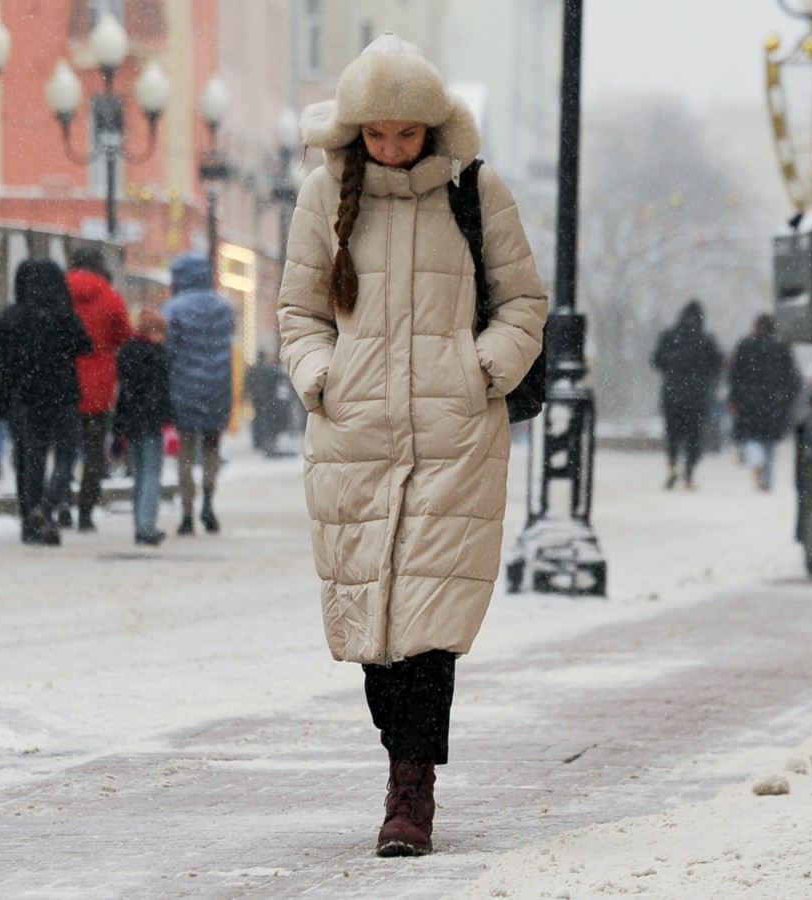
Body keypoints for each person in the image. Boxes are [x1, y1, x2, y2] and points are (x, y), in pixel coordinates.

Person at [277, 34, 547, 858]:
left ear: (433, 127)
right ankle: (403, 753)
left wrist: (481, 372)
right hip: (355, 432)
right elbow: (297, 312)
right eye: (377, 133)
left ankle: (410, 790)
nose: (393, 149)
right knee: (374, 621)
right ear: (357, 129)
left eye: (407, 133)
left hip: (452, 433)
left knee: (427, 622)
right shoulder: (322, 196)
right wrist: (322, 378)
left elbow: (523, 302)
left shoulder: (476, 190)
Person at [0, 258, 93, 546]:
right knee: (65, 457)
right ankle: (45, 508)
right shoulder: (65, 315)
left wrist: (22, 365)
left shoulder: (13, 316)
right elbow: (86, 345)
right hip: (62, 396)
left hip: (23, 398)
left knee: (29, 460)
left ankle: (29, 523)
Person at [59, 246, 134, 532]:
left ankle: (63, 501)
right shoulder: (111, 297)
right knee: (93, 453)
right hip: (99, 387)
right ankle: (86, 511)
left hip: (65, 383)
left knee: (65, 449)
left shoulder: (60, 293)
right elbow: (123, 337)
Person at [162, 250, 235, 536]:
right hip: (217, 386)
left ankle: (187, 513)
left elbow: (168, 350)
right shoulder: (222, 307)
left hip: (183, 388)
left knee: (186, 452)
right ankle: (208, 501)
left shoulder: (173, 309)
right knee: (212, 448)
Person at [115, 308, 173, 546]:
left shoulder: (127, 353)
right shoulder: (157, 356)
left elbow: (124, 395)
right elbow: (161, 395)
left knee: (139, 475)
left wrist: (120, 426)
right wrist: (167, 419)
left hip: (131, 424)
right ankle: (146, 526)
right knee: (151, 475)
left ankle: (140, 525)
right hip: (150, 424)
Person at [652, 299, 723, 490]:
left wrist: (673, 368)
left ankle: (673, 464)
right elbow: (718, 365)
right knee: (695, 437)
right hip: (698, 397)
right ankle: (689, 474)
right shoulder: (707, 339)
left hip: (672, 396)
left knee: (673, 434)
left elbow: (657, 361)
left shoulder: (669, 336)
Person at [727, 315, 803, 491]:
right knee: (769, 442)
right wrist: (785, 398)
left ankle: (756, 462)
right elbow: (793, 378)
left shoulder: (745, 346)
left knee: (750, 437)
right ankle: (767, 480)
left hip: (748, 402)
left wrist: (735, 397)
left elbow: (734, 375)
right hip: (774, 402)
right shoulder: (782, 347)